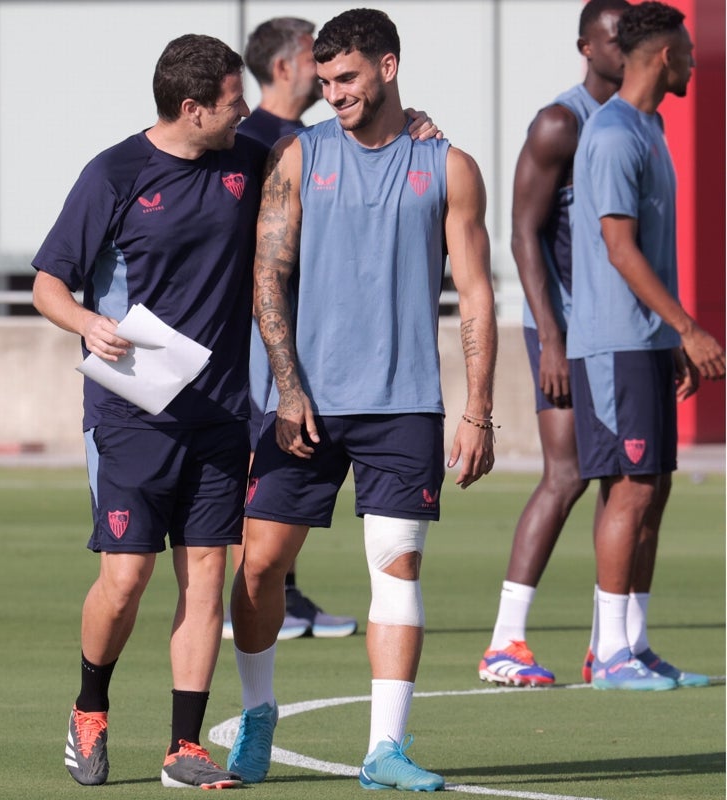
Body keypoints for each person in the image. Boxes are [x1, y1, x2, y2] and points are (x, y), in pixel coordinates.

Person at [225, 8, 496, 792]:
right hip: (302, 402)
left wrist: (477, 408)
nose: (333, 92)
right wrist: (287, 387)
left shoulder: (450, 166)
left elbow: (476, 295)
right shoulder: (297, 156)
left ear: (388, 66)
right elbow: (266, 278)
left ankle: (386, 749)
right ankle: (259, 714)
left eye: (347, 78)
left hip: (406, 404)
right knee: (261, 568)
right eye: (325, 79)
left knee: (397, 569)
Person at [32, 34, 268, 788]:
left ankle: (184, 747)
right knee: (126, 577)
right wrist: (86, 324)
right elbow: (48, 285)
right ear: (193, 108)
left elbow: (324, 145)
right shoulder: (114, 173)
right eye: (234, 103)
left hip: (222, 412)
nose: (247, 113)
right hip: (131, 409)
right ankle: (89, 708)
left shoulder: (248, 159)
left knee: (204, 575)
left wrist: (414, 123)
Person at [568, 0, 725, 690]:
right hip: (612, 342)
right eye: (688, 52)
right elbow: (619, 248)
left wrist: (671, 338)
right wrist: (689, 326)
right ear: (666, 56)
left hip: (648, 341)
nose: (694, 62)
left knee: (653, 488)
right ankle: (608, 657)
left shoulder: (650, 126)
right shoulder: (610, 135)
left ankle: (633, 643)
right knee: (628, 490)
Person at [479, 0, 630, 688]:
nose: (625, 50)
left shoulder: (635, 121)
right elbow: (523, 234)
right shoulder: (560, 122)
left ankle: (614, 645)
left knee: (627, 481)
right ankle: (505, 640)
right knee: (567, 474)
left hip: (619, 335)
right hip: (565, 332)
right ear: (584, 47)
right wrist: (548, 341)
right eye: (612, 39)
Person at [227, 16, 359, 640]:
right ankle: (250, 598)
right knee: (262, 467)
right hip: (255, 341)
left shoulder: (304, 139)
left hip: (298, 335)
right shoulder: (253, 141)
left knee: (282, 472)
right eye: (316, 57)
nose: (327, 67)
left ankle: (283, 593)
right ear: (284, 66)